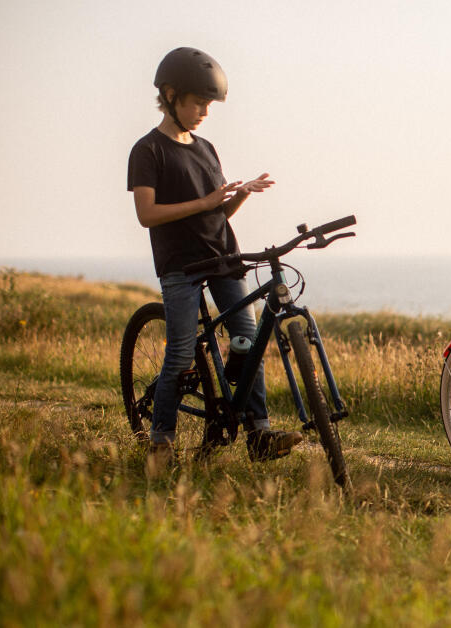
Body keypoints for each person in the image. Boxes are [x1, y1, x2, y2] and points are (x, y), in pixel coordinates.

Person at [127, 47, 303, 474]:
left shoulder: (206, 147)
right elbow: (147, 215)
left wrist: (237, 195)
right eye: (198, 103)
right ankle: (161, 442)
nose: (204, 111)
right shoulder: (148, 151)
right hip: (180, 267)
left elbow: (215, 213)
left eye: (209, 104)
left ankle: (259, 433)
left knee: (251, 341)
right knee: (180, 354)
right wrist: (204, 199)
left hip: (223, 257)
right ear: (170, 95)